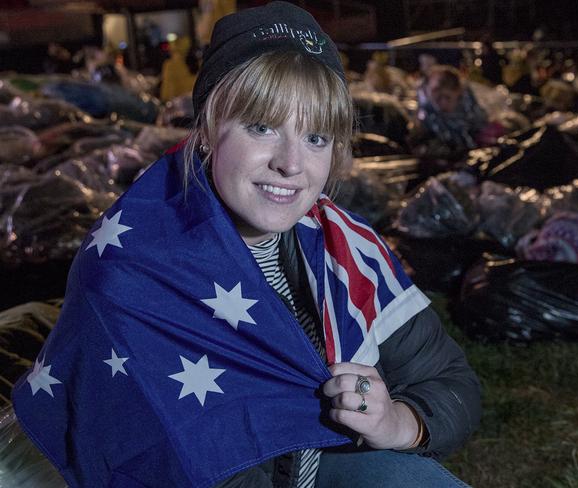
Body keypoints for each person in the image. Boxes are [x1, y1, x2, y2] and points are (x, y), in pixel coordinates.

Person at [11, 3, 481, 487]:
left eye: (316, 137)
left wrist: (396, 421)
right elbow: (152, 461)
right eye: (263, 127)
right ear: (211, 129)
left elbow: (451, 382)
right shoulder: (131, 269)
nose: (291, 164)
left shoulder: (345, 248)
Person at [410, 64, 488, 161]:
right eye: (437, 94)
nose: (443, 102)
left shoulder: (475, 115)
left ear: (459, 91)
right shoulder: (425, 117)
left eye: (447, 97)